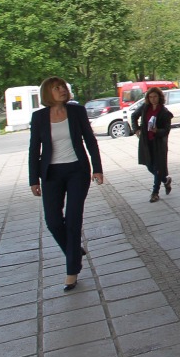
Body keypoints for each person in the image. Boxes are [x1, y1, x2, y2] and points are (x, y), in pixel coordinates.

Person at [28, 76, 104, 291]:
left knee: (73, 219)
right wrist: (33, 179)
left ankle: (72, 270)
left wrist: (97, 168)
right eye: (56, 88)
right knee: (53, 221)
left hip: (77, 171)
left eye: (63, 86)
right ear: (48, 93)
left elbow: (90, 140)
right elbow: (34, 149)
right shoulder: (39, 117)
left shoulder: (76, 111)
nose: (62, 90)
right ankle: (74, 251)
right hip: (51, 173)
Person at [131, 88, 173, 203]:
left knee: (158, 168)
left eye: (155, 97)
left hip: (158, 143)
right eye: (150, 97)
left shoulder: (164, 112)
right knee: (149, 165)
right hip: (146, 142)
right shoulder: (145, 107)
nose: (153, 99)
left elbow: (166, 130)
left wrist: (157, 131)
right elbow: (134, 116)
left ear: (159, 97)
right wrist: (136, 130)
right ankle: (165, 180)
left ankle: (155, 193)